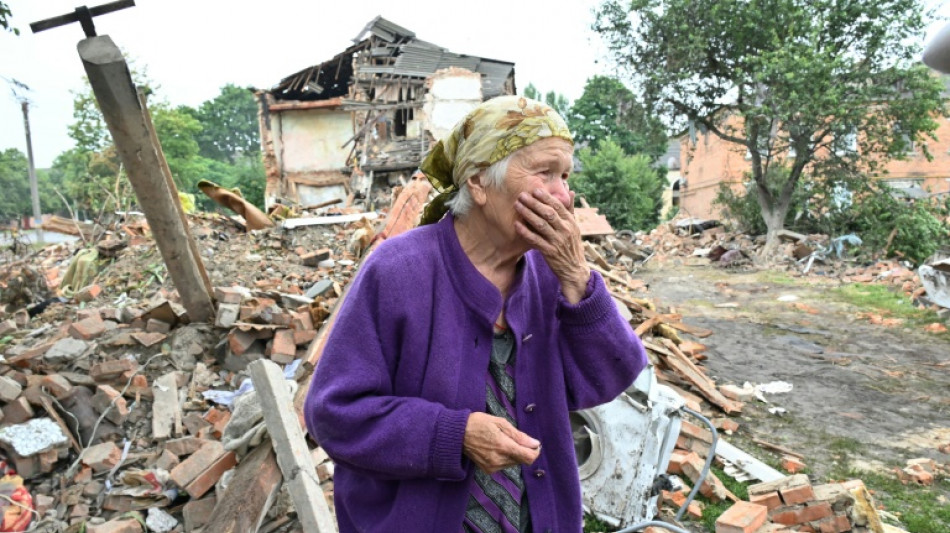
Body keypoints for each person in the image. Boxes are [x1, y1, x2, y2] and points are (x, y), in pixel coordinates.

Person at [304, 95, 648, 533]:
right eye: (545, 172)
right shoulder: (398, 271)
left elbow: (611, 377)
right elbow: (335, 415)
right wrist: (454, 434)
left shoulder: (552, 274)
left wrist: (578, 277)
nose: (564, 195)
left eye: (565, 176)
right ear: (480, 182)